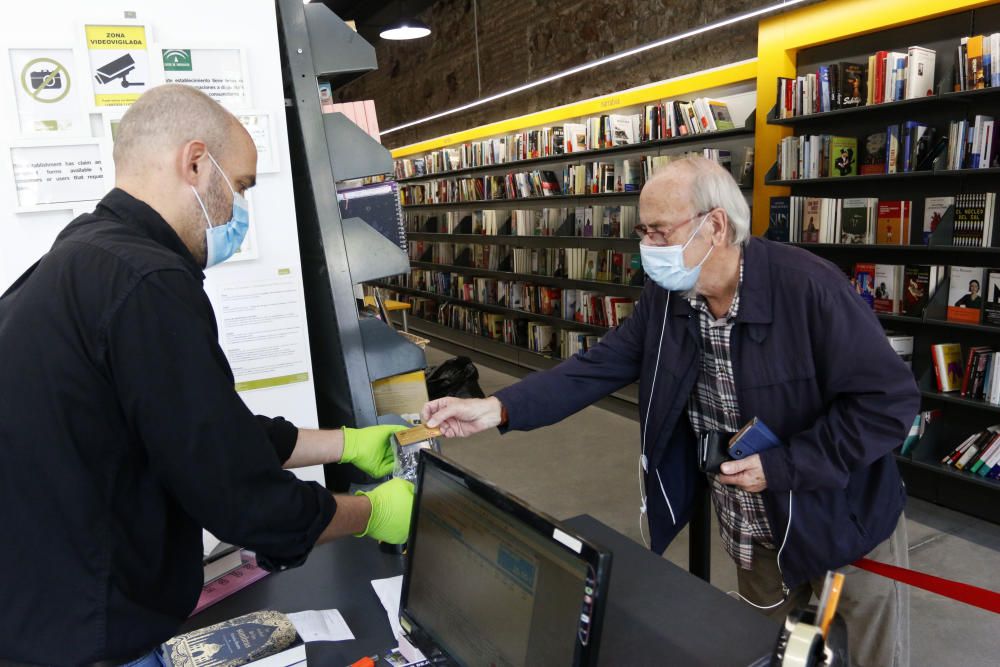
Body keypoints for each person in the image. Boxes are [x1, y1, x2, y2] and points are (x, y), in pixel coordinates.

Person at [422, 156, 920, 667]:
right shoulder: (668, 297)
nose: (648, 250)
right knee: (772, 652)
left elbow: (887, 403)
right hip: (752, 529)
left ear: (716, 225)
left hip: (844, 521)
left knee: (867, 656)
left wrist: (784, 466)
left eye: (660, 232)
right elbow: (598, 364)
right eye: (644, 233)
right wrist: (499, 407)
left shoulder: (809, 288)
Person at [0, 84, 414, 667]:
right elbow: (240, 497)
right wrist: (375, 513)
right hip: (88, 634)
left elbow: (202, 430)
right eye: (241, 185)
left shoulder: (83, 256)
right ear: (196, 164)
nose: (239, 207)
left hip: (40, 612)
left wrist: (344, 444)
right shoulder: (147, 282)